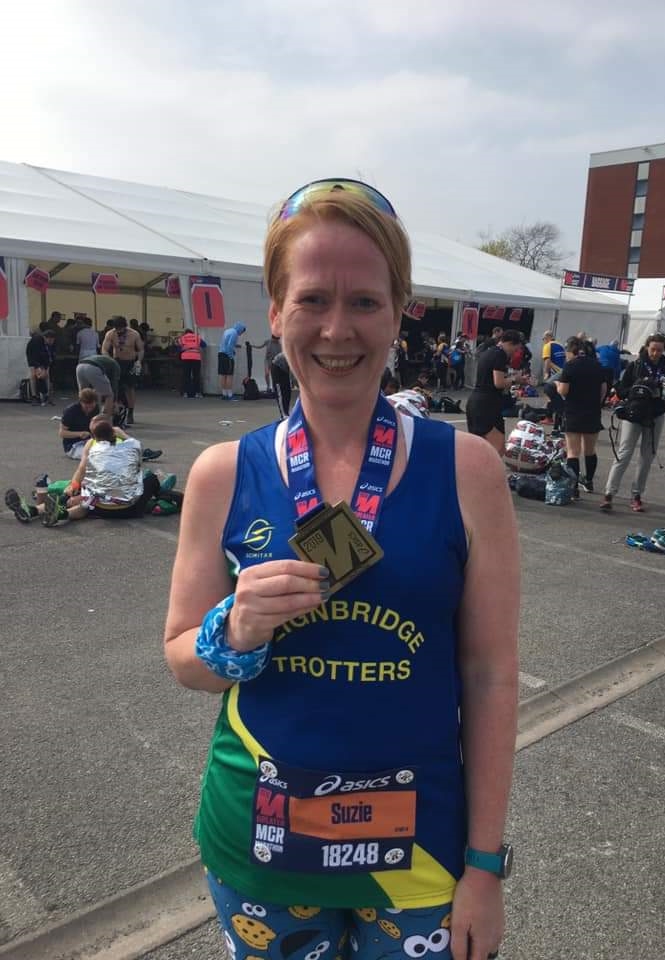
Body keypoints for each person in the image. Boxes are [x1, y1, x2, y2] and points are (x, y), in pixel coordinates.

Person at [164, 178, 518, 960]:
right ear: (277, 308)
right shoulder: (223, 472)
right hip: (260, 844)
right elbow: (185, 659)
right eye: (313, 299)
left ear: (399, 311)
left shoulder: (467, 470)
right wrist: (235, 629)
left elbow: (490, 672)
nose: (336, 329)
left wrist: (486, 865)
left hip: (422, 851)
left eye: (364, 302)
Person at [5, 416, 176, 526]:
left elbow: (81, 473)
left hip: (99, 505)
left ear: (93, 435)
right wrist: (122, 434)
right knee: (150, 478)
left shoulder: (91, 446)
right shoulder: (131, 444)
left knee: (85, 497)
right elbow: (138, 453)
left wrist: (71, 488)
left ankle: (38, 510)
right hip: (130, 507)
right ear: (113, 429)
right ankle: (55, 511)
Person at [601, 333, 665, 513]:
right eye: (653, 349)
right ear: (647, 347)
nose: (655, 353)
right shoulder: (636, 365)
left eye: (659, 350)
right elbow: (620, 389)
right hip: (634, 414)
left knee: (647, 457)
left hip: (655, 415)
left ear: (664, 350)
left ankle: (637, 495)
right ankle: (609, 493)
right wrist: (638, 391)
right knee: (624, 453)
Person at [555, 337, 607, 496]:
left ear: (572, 351)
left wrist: (557, 385)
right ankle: (589, 481)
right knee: (590, 450)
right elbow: (603, 389)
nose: (566, 356)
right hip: (592, 411)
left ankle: (573, 487)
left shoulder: (570, 366)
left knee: (573, 451)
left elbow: (563, 390)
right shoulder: (597, 366)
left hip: (574, 411)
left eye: (567, 353)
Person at [59, 387, 162, 461]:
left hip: (91, 439)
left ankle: (140, 450)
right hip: (74, 445)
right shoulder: (70, 411)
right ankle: (131, 455)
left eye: (91, 406)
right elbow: (62, 433)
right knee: (100, 454)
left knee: (116, 432)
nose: (89, 409)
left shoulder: (95, 408)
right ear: (81, 402)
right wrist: (79, 434)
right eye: (86, 407)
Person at [466, 329, 524, 454]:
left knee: (479, 448)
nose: (514, 354)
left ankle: (475, 472)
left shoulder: (489, 352)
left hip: (477, 401)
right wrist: (516, 379)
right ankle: (489, 472)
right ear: (509, 343)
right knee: (497, 448)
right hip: (486, 404)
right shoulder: (500, 355)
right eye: (515, 349)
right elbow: (498, 383)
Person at [101, 316, 144, 425]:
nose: (119, 331)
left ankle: (130, 412)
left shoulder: (134, 334)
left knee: (130, 388)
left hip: (130, 362)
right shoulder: (111, 334)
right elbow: (104, 348)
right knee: (115, 388)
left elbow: (140, 349)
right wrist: (108, 359)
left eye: (121, 328)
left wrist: (138, 361)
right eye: (117, 328)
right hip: (116, 362)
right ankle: (116, 411)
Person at [76, 353, 120, 417]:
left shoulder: (105, 360)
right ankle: (105, 419)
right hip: (93, 367)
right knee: (109, 395)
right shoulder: (116, 366)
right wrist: (115, 402)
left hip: (80, 366)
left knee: (83, 394)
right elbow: (114, 385)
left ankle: (82, 416)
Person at [25, 328, 56, 405]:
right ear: (45, 338)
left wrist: (46, 367)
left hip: (44, 358)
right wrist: (39, 368)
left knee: (47, 375)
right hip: (32, 357)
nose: (51, 342)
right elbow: (34, 356)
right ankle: (34, 396)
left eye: (52, 340)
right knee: (33, 375)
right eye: (49, 340)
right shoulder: (36, 341)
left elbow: (49, 354)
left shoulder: (51, 342)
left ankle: (47, 396)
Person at [218, 321, 247, 400]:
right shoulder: (234, 333)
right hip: (227, 355)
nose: (241, 333)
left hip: (221, 353)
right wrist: (231, 355)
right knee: (229, 375)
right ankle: (230, 395)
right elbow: (230, 345)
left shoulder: (227, 331)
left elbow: (225, 343)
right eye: (242, 331)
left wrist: (235, 346)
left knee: (222, 374)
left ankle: (224, 394)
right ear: (240, 329)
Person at [176, 327, 207, 398]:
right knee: (196, 375)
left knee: (186, 375)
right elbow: (204, 345)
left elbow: (178, 348)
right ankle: (197, 393)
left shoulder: (182, 338)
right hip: (196, 357)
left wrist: (184, 349)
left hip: (186, 357)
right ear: (192, 333)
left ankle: (186, 393)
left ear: (185, 333)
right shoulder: (197, 337)